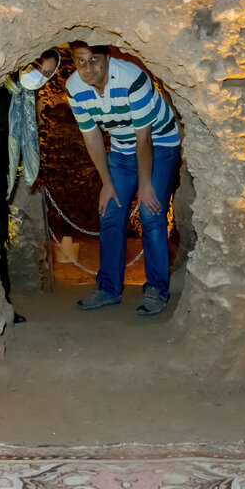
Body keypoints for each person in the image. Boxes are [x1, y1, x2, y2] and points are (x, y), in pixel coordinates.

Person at [65, 42, 180, 316]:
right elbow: (91, 136)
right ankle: (108, 288)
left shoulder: (132, 78)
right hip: (121, 147)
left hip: (160, 141)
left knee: (151, 214)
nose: (88, 68)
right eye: (81, 61)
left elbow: (144, 137)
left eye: (94, 59)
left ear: (107, 57)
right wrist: (107, 183)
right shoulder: (74, 88)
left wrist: (146, 187)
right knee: (110, 213)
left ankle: (156, 289)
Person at [0, 50, 59, 324]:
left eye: (47, 74)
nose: (40, 76)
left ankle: (0, 304)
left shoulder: (22, 97)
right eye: (39, 67)